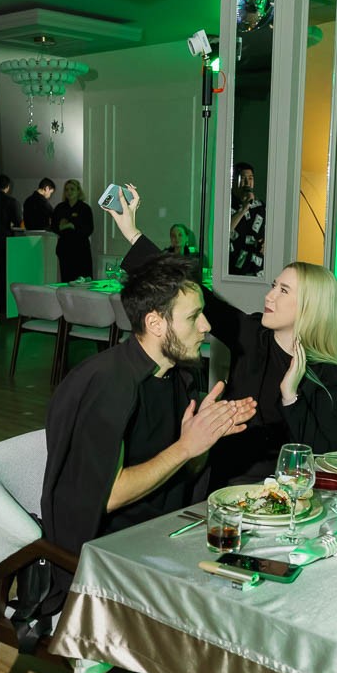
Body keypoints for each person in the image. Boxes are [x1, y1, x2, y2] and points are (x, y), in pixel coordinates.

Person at [39, 251, 257, 616]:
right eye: (193, 317)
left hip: (167, 534)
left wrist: (204, 440)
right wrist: (185, 447)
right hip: (105, 558)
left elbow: (181, 472)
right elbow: (106, 497)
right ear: (155, 323)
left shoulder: (179, 374)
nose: (206, 326)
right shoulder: (107, 385)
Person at [109, 186, 337, 484]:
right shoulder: (251, 335)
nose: (269, 296)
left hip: (288, 491)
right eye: (273, 286)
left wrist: (291, 395)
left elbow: (325, 456)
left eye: (283, 290)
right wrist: (132, 233)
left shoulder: (331, 374)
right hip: (226, 480)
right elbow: (188, 288)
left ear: (310, 307)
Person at [51, 179, 94, 281]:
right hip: (65, 250)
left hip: (81, 250)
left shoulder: (85, 208)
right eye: (66, 190)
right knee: (67, 280)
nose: (69, 192)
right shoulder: (60, 208)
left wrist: (72, 225)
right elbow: (53, 227)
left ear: (78, 191)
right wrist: (62, 227)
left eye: (72, 189)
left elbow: (89, 229)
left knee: (83, 281)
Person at [228, 163, 266, 277]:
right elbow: (225, 231)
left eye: (250, 178)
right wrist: (244, 208)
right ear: (234, 181)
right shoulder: (226, 204)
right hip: (233, 270)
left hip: (257, 270)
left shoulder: (260, 206)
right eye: (243, 178)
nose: (247, 183)